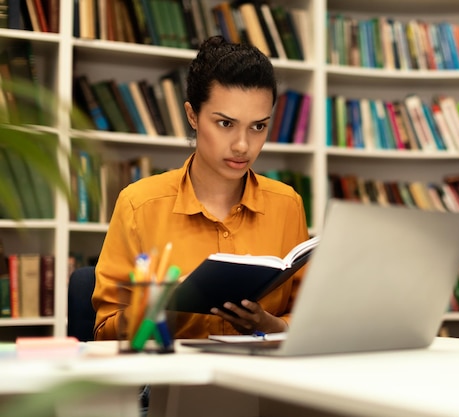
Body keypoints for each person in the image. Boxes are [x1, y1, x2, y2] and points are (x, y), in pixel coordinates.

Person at [92, 36, 310, 340]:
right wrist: (152, 310)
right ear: (192, 115)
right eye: (225, 124)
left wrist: (266, 324)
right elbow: (104, 333)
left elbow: (306, 321)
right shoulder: (139, 205)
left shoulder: (287, 204)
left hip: (259, 378)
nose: (243, 145)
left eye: (258, 126)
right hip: (170, 381)